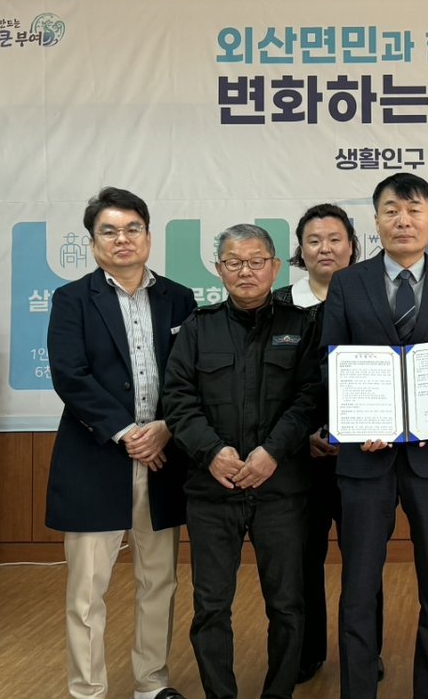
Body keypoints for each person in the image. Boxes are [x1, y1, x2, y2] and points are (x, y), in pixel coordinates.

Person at [321, 172, 428, 699]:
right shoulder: (348, 283)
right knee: (357, 587)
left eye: (415, 211)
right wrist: (356, 422)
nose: (403, 220)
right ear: (376, 221)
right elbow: (330, 364)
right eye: (391, 210)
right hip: (364, 460)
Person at [46, 186, 196, 699]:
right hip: (97, 458)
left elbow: (189, 374)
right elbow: (70, 376)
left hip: (163, 458)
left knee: (159, 582)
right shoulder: (71, 300)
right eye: (109, 231)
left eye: (133, 229)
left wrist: (166, 426)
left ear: (148, 237)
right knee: (87, 592)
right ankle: (87, 689)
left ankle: (151, 683)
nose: (122, 239)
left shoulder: (179, 298)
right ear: (93, 243)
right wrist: (129, 432)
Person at [162, 224, 322, 699]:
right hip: (213, 490)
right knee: (211, 606)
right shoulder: (197, 328)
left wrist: (273, 452)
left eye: (256, 262)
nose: (245, 271)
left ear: (275, 267)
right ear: (219, 269)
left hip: (281, 488)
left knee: (288, 604)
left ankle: (279, 692)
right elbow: (178, 400)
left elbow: (311, 397)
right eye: (234, 262)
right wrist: (212, 452)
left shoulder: (302, 326)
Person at [271, 204, 380, 686]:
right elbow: (271, 386)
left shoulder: (373, 297)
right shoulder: (278, 304)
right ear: (301, 249)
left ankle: (366, 653)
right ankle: (306, 651)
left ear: (353, 246)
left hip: (363, 453)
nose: (325, 249)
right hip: (298, 458)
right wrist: (305, 434)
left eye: (335, 239)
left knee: (364, 562)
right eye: (314, 240)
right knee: (302, 560)